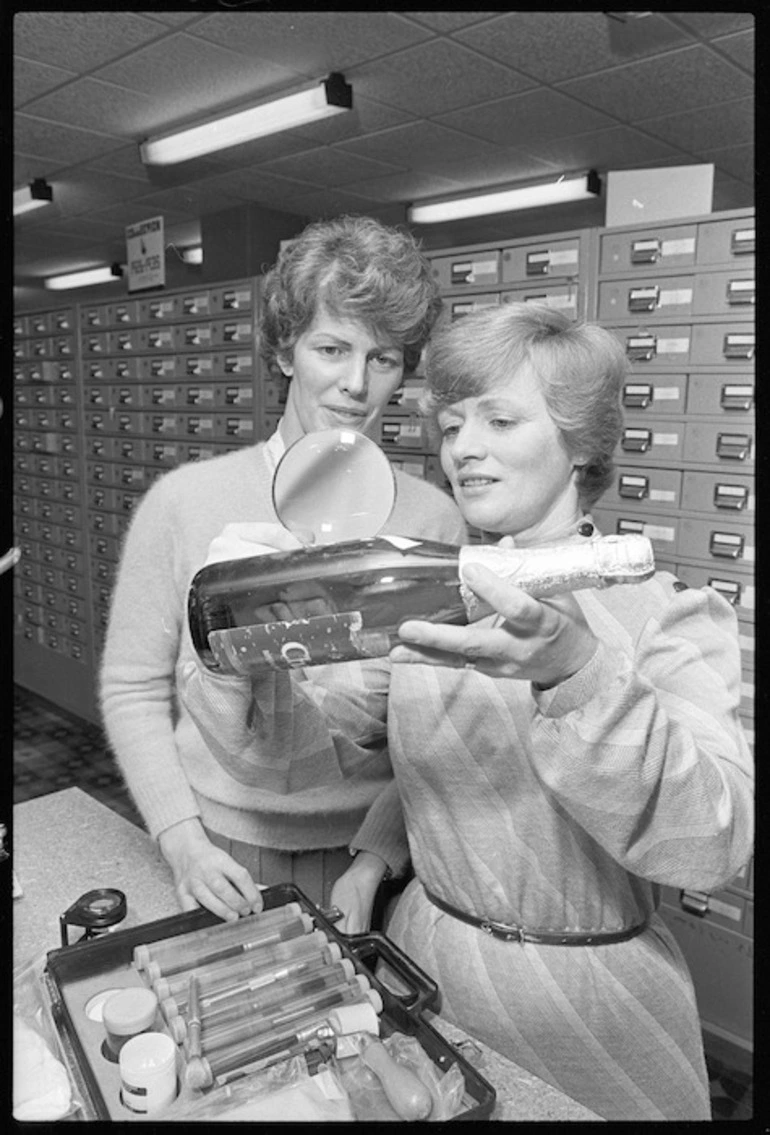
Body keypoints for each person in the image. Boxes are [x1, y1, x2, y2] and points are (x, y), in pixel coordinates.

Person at [179, 302, 753, 1121]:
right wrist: (247, 647)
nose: (463, 448)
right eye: (451, 425)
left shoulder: (666, 615)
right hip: (423, 962)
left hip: (584, 1002)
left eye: (499, 419)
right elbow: (342, 754)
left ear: (582, 443)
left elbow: (715, 838)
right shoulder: (435, 598)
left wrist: (577, 672)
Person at [99, 214, 465, 933]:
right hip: (222, 848)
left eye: (384, 358)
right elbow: (132, 687)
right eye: (332, 348)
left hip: (374, 860)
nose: (356, 383)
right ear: (285, 349)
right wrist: (181, 840)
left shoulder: (434, 520)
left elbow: (429, 725)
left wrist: (377, 858)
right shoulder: (183, 502)